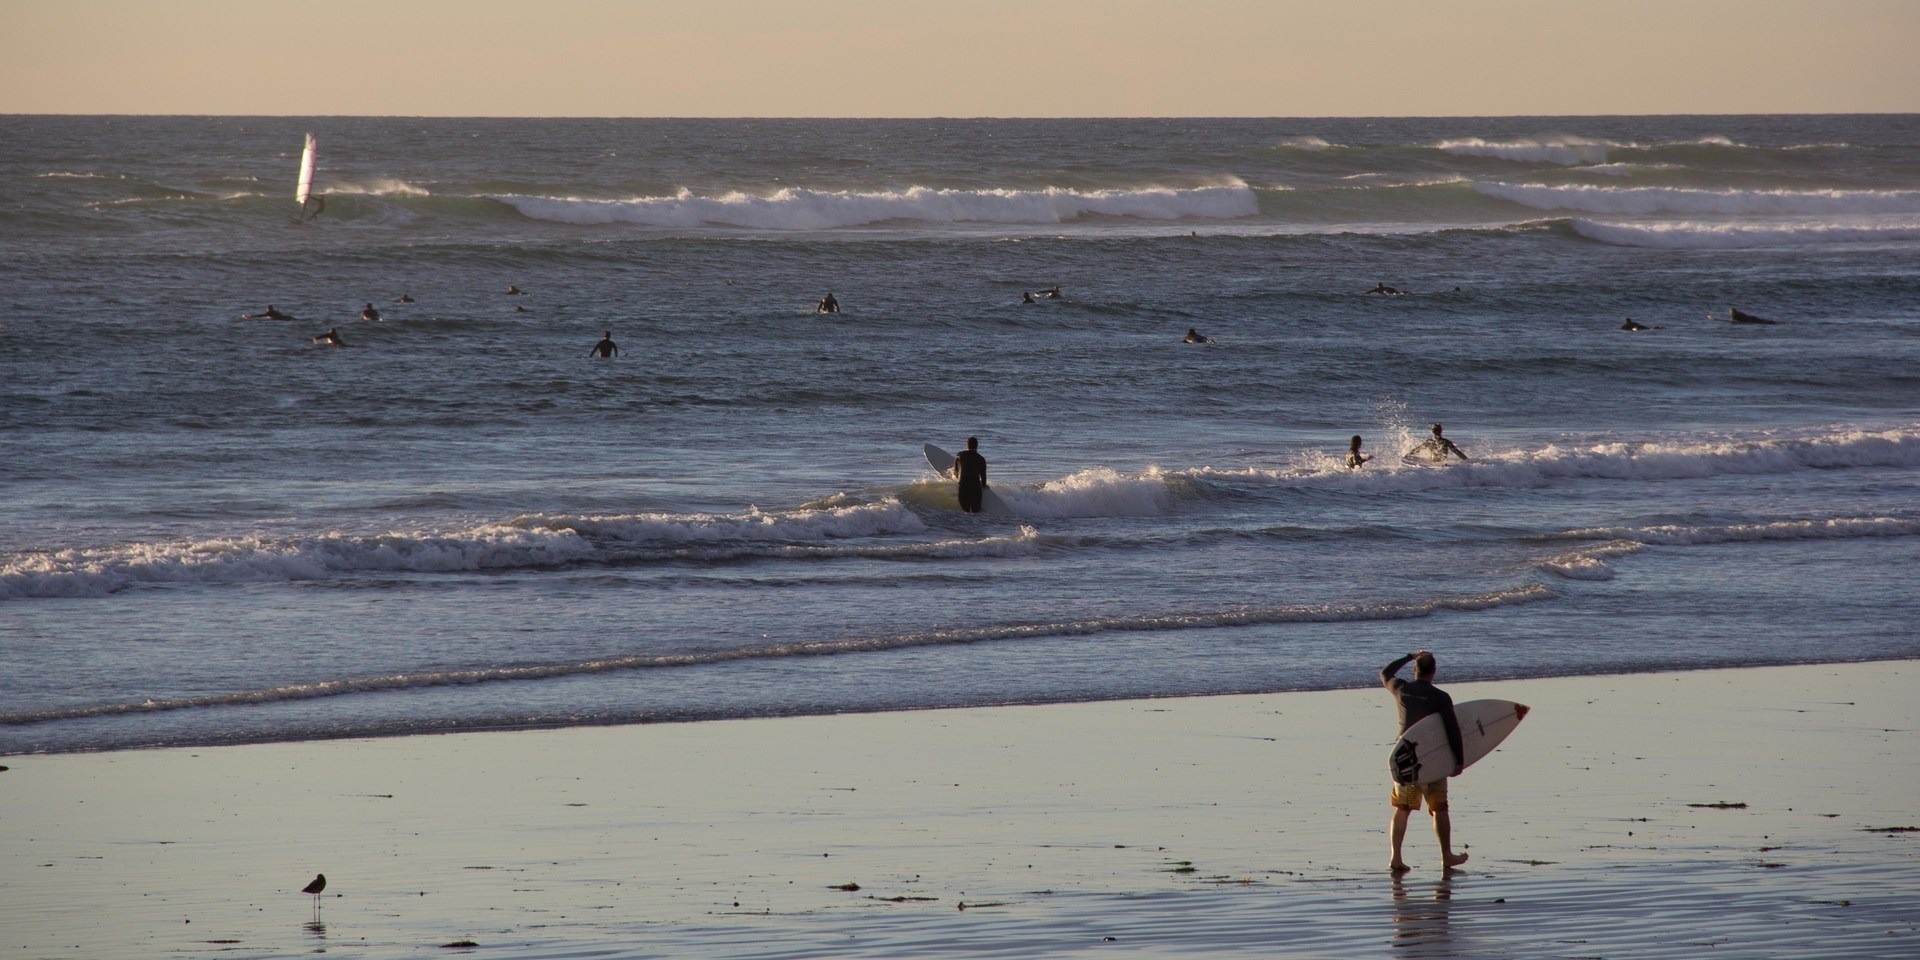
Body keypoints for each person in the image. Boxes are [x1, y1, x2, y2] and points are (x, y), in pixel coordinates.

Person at [1382, 650, 1469, 873]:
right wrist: (1459, 761)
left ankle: (1396, 858)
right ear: (1434, 671)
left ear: (1415, 670)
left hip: (1406, 757)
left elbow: (1385, 673)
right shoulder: (1441, 697)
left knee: (1402, 808)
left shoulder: (1402, 689)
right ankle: (1446, 856)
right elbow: (1452, 730)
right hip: (1433, 758)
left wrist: (1409, 655)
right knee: (1440, 808)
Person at [952, 436, 988, 514]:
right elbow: (983, 476)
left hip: (963, 487)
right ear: (977, 446)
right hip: (975, 488)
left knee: (966, 511)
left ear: (967, 445)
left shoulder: (959, 456)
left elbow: (955, 472)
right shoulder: (981, 459)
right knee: (976, 512)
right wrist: (984, 486)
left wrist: (955, 476)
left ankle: (967, 525)